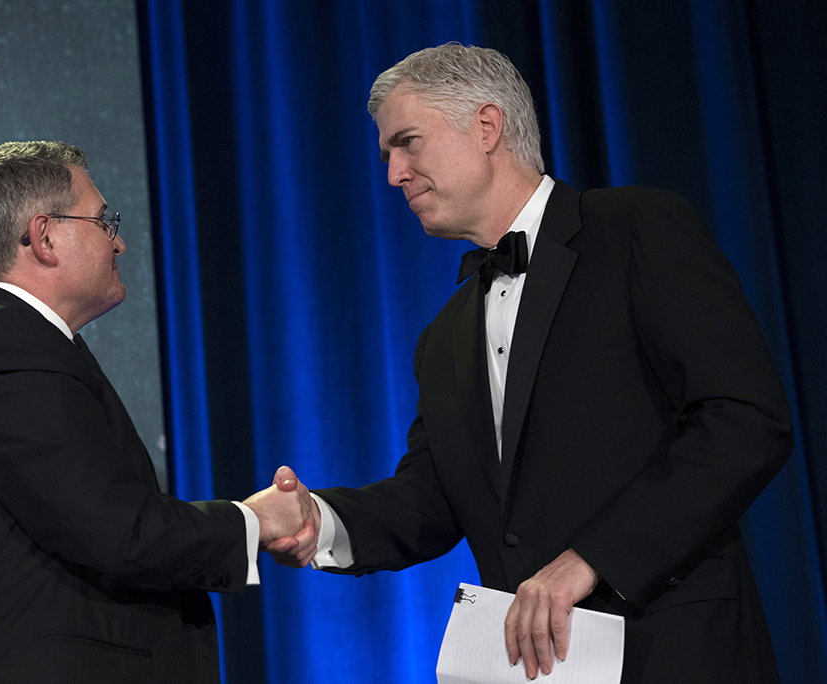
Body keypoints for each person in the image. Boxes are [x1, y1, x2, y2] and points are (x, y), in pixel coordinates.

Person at [267, 43, 793, 683]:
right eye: (387, 156)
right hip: (534, 668)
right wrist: (320, 522)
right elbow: (432, 501)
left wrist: (589, 560)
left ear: (486, 128)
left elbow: (743, 419)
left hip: (673, 649)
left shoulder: (635, 228)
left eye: (407, 144)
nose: (394, 174)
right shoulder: (443, 337)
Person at [0, 141, 313, 683]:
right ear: (45, 237)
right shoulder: (0, 350)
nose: (120, 241)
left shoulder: (7, 341)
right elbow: (117, 531)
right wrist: (257, 520)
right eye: (104, 221)